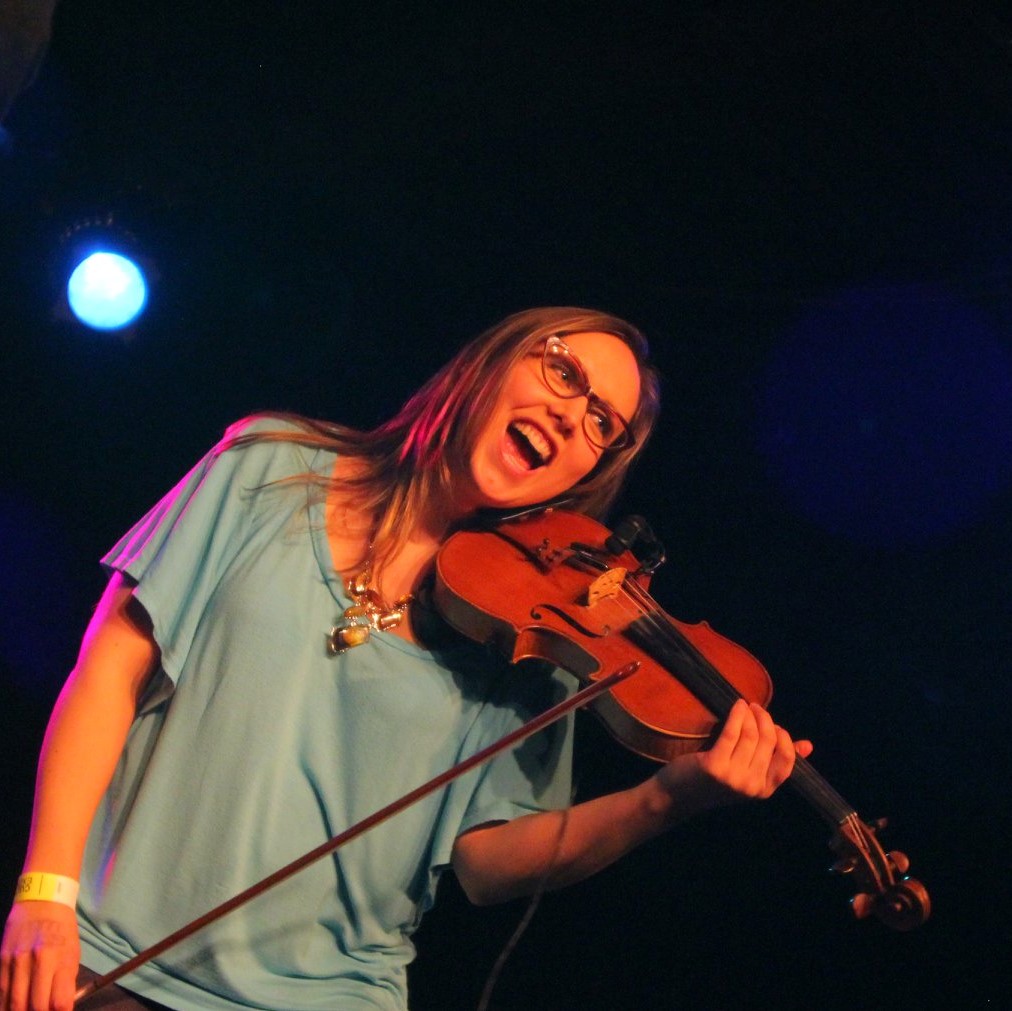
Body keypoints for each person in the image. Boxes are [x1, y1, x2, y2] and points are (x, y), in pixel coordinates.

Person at [0, 306, 812, 1011]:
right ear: (491, 363)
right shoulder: (266, 466)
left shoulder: (535, 637)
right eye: (564, 372)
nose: (574, 418)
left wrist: (666, 799)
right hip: (102, 953)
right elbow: (108, 672)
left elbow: (490, 863)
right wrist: (46, 888)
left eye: (604, 424)